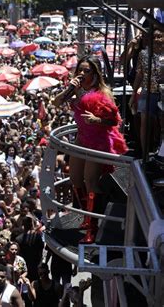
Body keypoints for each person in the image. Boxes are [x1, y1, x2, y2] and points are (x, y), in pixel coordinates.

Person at [52, 55, 128, 243]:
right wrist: (70, 88)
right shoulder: (76, 90)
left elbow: (114, 120)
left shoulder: (102, 92)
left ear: (95, 73)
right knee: (76, 179)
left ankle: (92, 228)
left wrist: (97, 120)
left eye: (87, 71)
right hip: (82, 139)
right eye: (81, 70)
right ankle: (87, 217)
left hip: (98, 141)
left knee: (90, 181)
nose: (83, 74)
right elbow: (55, 102)